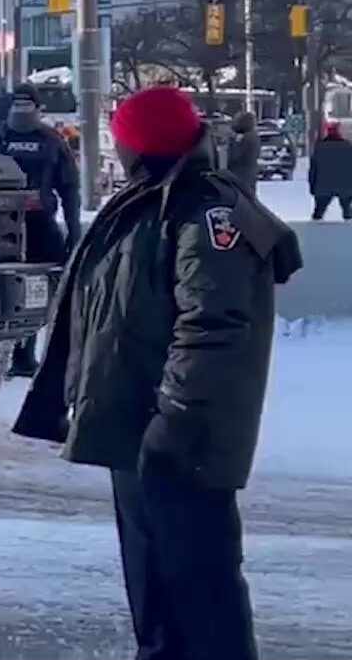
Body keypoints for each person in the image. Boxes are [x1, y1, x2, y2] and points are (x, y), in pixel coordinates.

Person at [15, 84, 299, 660]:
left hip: (180, 436)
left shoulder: (203, 210)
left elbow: (213, 327)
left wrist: (173, 422)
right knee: (157, 595)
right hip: (137, 428)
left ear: (136, 146)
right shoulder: (154, 197)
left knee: (201, 591)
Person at [0, 84, 82, 377]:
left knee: (36, 289)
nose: (23, 111)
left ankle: (23, 352)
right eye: (19, 104)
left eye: (27, 105)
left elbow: (69, 187)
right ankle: (4, 351)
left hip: (30, 226)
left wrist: (73, 231)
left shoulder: (42, 140)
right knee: (13, 288)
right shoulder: (1, 138)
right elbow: (69, 188)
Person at [309, 121, 352, 220]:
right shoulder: (348, 147)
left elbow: (313, 169)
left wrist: (312, 186)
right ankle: (349, 229)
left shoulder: (319, 147)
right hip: (345, 184)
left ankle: (315, 230)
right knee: (347, 209)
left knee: (319, 211)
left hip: (323, 184)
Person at [226, 112, 260, 196]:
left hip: (241, 174)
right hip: (249, 172)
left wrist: (231, 143)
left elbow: (234, 156)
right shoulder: (253, 135)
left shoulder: (243, 138)